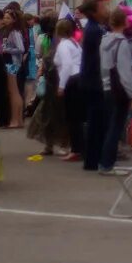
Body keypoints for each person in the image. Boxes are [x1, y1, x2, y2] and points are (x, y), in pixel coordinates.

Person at [98, 8, 132, 174]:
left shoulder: (104, 41)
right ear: (125, 22)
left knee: (110, 125)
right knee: (117, 126)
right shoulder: (122, 43)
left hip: (106, 86)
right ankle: (107, 163)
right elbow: (124, 70)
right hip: (119, 89)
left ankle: (106, 160)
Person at [27, 15, 67, 156]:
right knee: (50, 114)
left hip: (57, 81)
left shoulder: (60, 42)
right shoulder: (48, 40)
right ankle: (53, 144)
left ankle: (56, 144)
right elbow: (45, 58)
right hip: (53, 82)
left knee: (55, 114)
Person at [78, 0, 109, 172]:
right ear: (93, 11)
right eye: (103, 6)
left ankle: (93, 158)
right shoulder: (94, 30)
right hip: (94, 82)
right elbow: (100, 59)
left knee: (97, 121)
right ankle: (93, 159)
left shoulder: (96, 28)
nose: (106, 9)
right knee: (97, 121)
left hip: (92, 80)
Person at [52, 18, 83, 162]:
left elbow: (67, 65)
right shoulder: (74, 43)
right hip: (79, 78)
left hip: (71, 80)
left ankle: (76, 149)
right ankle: (78, 147)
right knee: (77, 116)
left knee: (73, 117)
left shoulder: (63, 45)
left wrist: (61, 86)